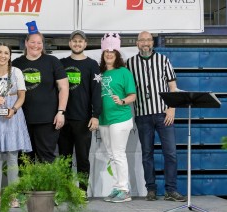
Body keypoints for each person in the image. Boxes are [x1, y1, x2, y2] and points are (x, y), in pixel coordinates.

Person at [126, 31, 186, 202]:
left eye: (148, 40)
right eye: (142, 40)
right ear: (137, 43)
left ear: (152, 43)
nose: (145, 43)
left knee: (171, 153)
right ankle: (151, 189)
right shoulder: (130, 63)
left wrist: (172, 108)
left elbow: (172, 86)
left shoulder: (164, 60)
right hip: (142, 115)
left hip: (163, 113)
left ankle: (171, 190)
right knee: (147, 154)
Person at [0, 43, 32, 209]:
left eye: (6, 53)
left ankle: (13, 195)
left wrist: (14, 109)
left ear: (10, 56)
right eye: (0, 52)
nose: (3, 55)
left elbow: (22, 96)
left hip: (12, 116)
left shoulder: (16, 72)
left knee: (12, 158)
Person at [12, 21, 69, 163]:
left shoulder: (52, 61)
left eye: (39, 43)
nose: (35, 46)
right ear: (26, 43)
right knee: (24, 161)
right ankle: (27, 187)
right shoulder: (16, 64)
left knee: (46, 159)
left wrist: (61, 112)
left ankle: (47, 187)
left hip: (48, 120)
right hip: (22, 120)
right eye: (32, 42)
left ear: (43, 45)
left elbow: (64, 87)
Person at [58, 30, 102, 201]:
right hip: (63, 119)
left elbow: (96, 92)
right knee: (64, 159)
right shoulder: (60, 63)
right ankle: (65, 192)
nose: (77, 44)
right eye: (74, 41)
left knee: (83, 159)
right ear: (70, 43)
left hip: (83, 120)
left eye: (80, 41)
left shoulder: (92, 65)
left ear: (85, 44)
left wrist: (95, 115)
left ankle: (82, 192)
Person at [98, 33, 136, 203]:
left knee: (118, 154)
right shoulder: (99, 73)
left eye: (112, 52)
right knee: (112, 155)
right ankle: (117, 187)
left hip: (120, 118)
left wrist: (121, 101)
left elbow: (132, 95)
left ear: (117, 55)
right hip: (103, 119)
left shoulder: (124, 72)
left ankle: (124, 190)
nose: (109, 54)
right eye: (106, 52)